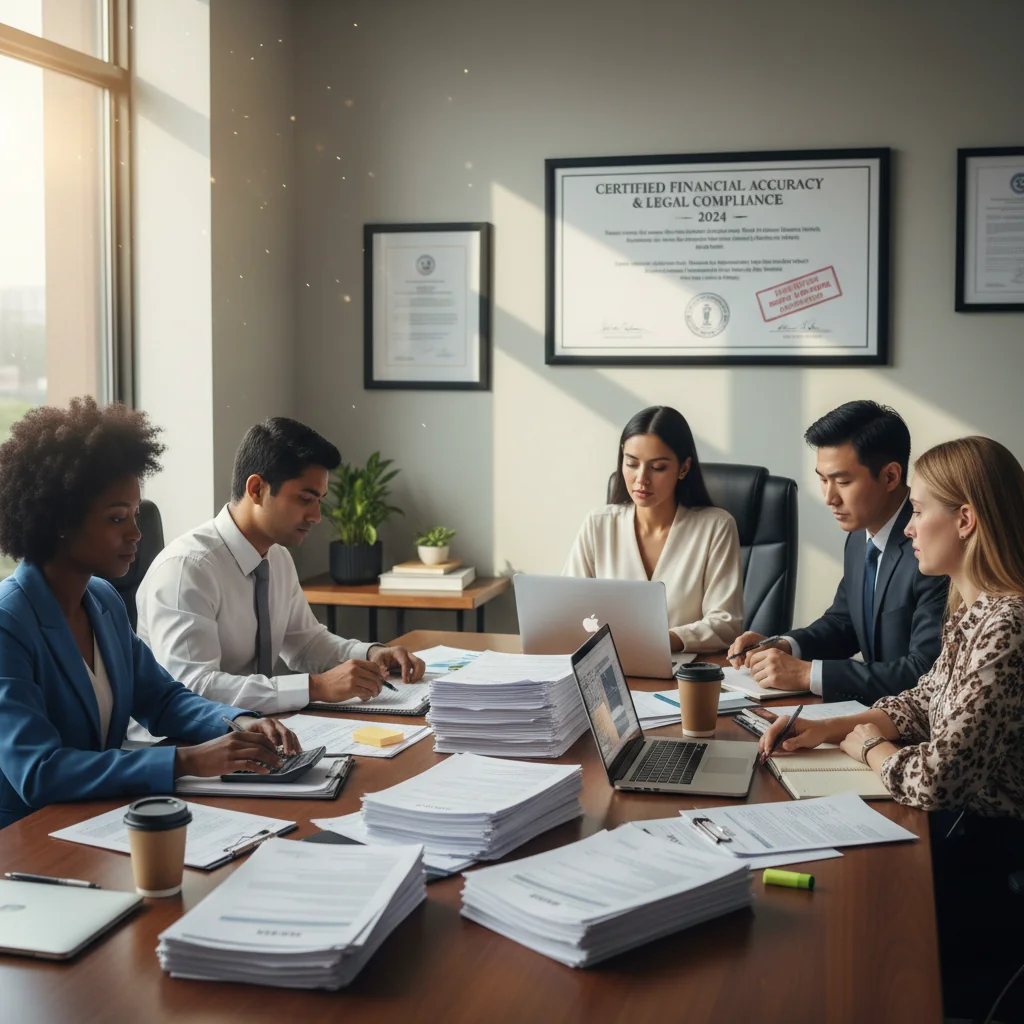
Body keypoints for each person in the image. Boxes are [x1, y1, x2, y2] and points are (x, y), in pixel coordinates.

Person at [758, 436, 1024, 1018]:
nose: (908, 527)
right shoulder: (976, 609)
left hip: (995, 859)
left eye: (920, 510)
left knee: (844, 919)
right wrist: (839, 728)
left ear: (966, 520)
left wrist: (872, 747)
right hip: (967, 833)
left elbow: (936, 780)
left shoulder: (1009, 626)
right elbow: (925, 699)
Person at [0, 399, 299, 830]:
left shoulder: (100, 600)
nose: (136, 533)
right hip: (28, 838)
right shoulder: (10, 624)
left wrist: (238, 721)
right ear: (59, 522)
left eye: (136, 514)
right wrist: (184, 761)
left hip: (96, 819)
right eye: (117, 518)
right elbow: (39, 771)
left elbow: (162, 699)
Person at [136, 418, 424, 721]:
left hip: (254, 733)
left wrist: (370, 654)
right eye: (305, 499)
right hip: (179, 746)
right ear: (257, 489)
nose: (316, 516)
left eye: (320, 501)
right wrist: (316, 687)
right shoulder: (187, 570)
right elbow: (193, 689)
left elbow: (306, 643)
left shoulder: (277, 558)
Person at [729, 400, 946, 702]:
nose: (829, 498)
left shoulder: (934, 549)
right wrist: (784, 646)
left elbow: (925, 672)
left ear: (891, 477)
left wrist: (806, 674)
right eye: (822, 479)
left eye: (843, 481)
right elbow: (843, 624)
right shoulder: (860, 534)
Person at [563, 406, 742, 653]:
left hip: (684, 672)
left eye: (657, 467)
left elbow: (726, 624)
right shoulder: (598, 524)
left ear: (684, 468)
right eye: (632, 464)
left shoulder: (716, 527)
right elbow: (566, 607)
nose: (641, 479)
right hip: (607, 665)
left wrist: (658, 642)